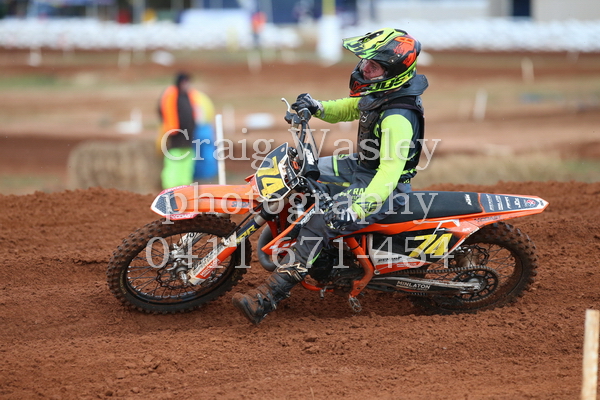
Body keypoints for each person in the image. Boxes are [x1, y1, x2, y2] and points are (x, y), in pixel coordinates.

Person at [232, 28, 429, 324]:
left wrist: (357, 209)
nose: (365, 69)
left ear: (393, 72)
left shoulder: (398, 117)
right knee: (299, 173)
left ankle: (269, 296)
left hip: (383, 188)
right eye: (365, 62)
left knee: (321, 221)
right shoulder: (383, 92)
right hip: (361, 167)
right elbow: (353, 107)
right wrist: (317, 107)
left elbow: (389, 173)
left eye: (373, 66)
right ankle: (295, 239)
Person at [157, 72, 215, 189]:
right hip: (175, 135)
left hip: (189, 134)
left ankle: (184, 187)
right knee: (174, 161)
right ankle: (170, 187)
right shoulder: (171, 95)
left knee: (187, 161)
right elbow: (163, 112)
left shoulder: (188, 96)